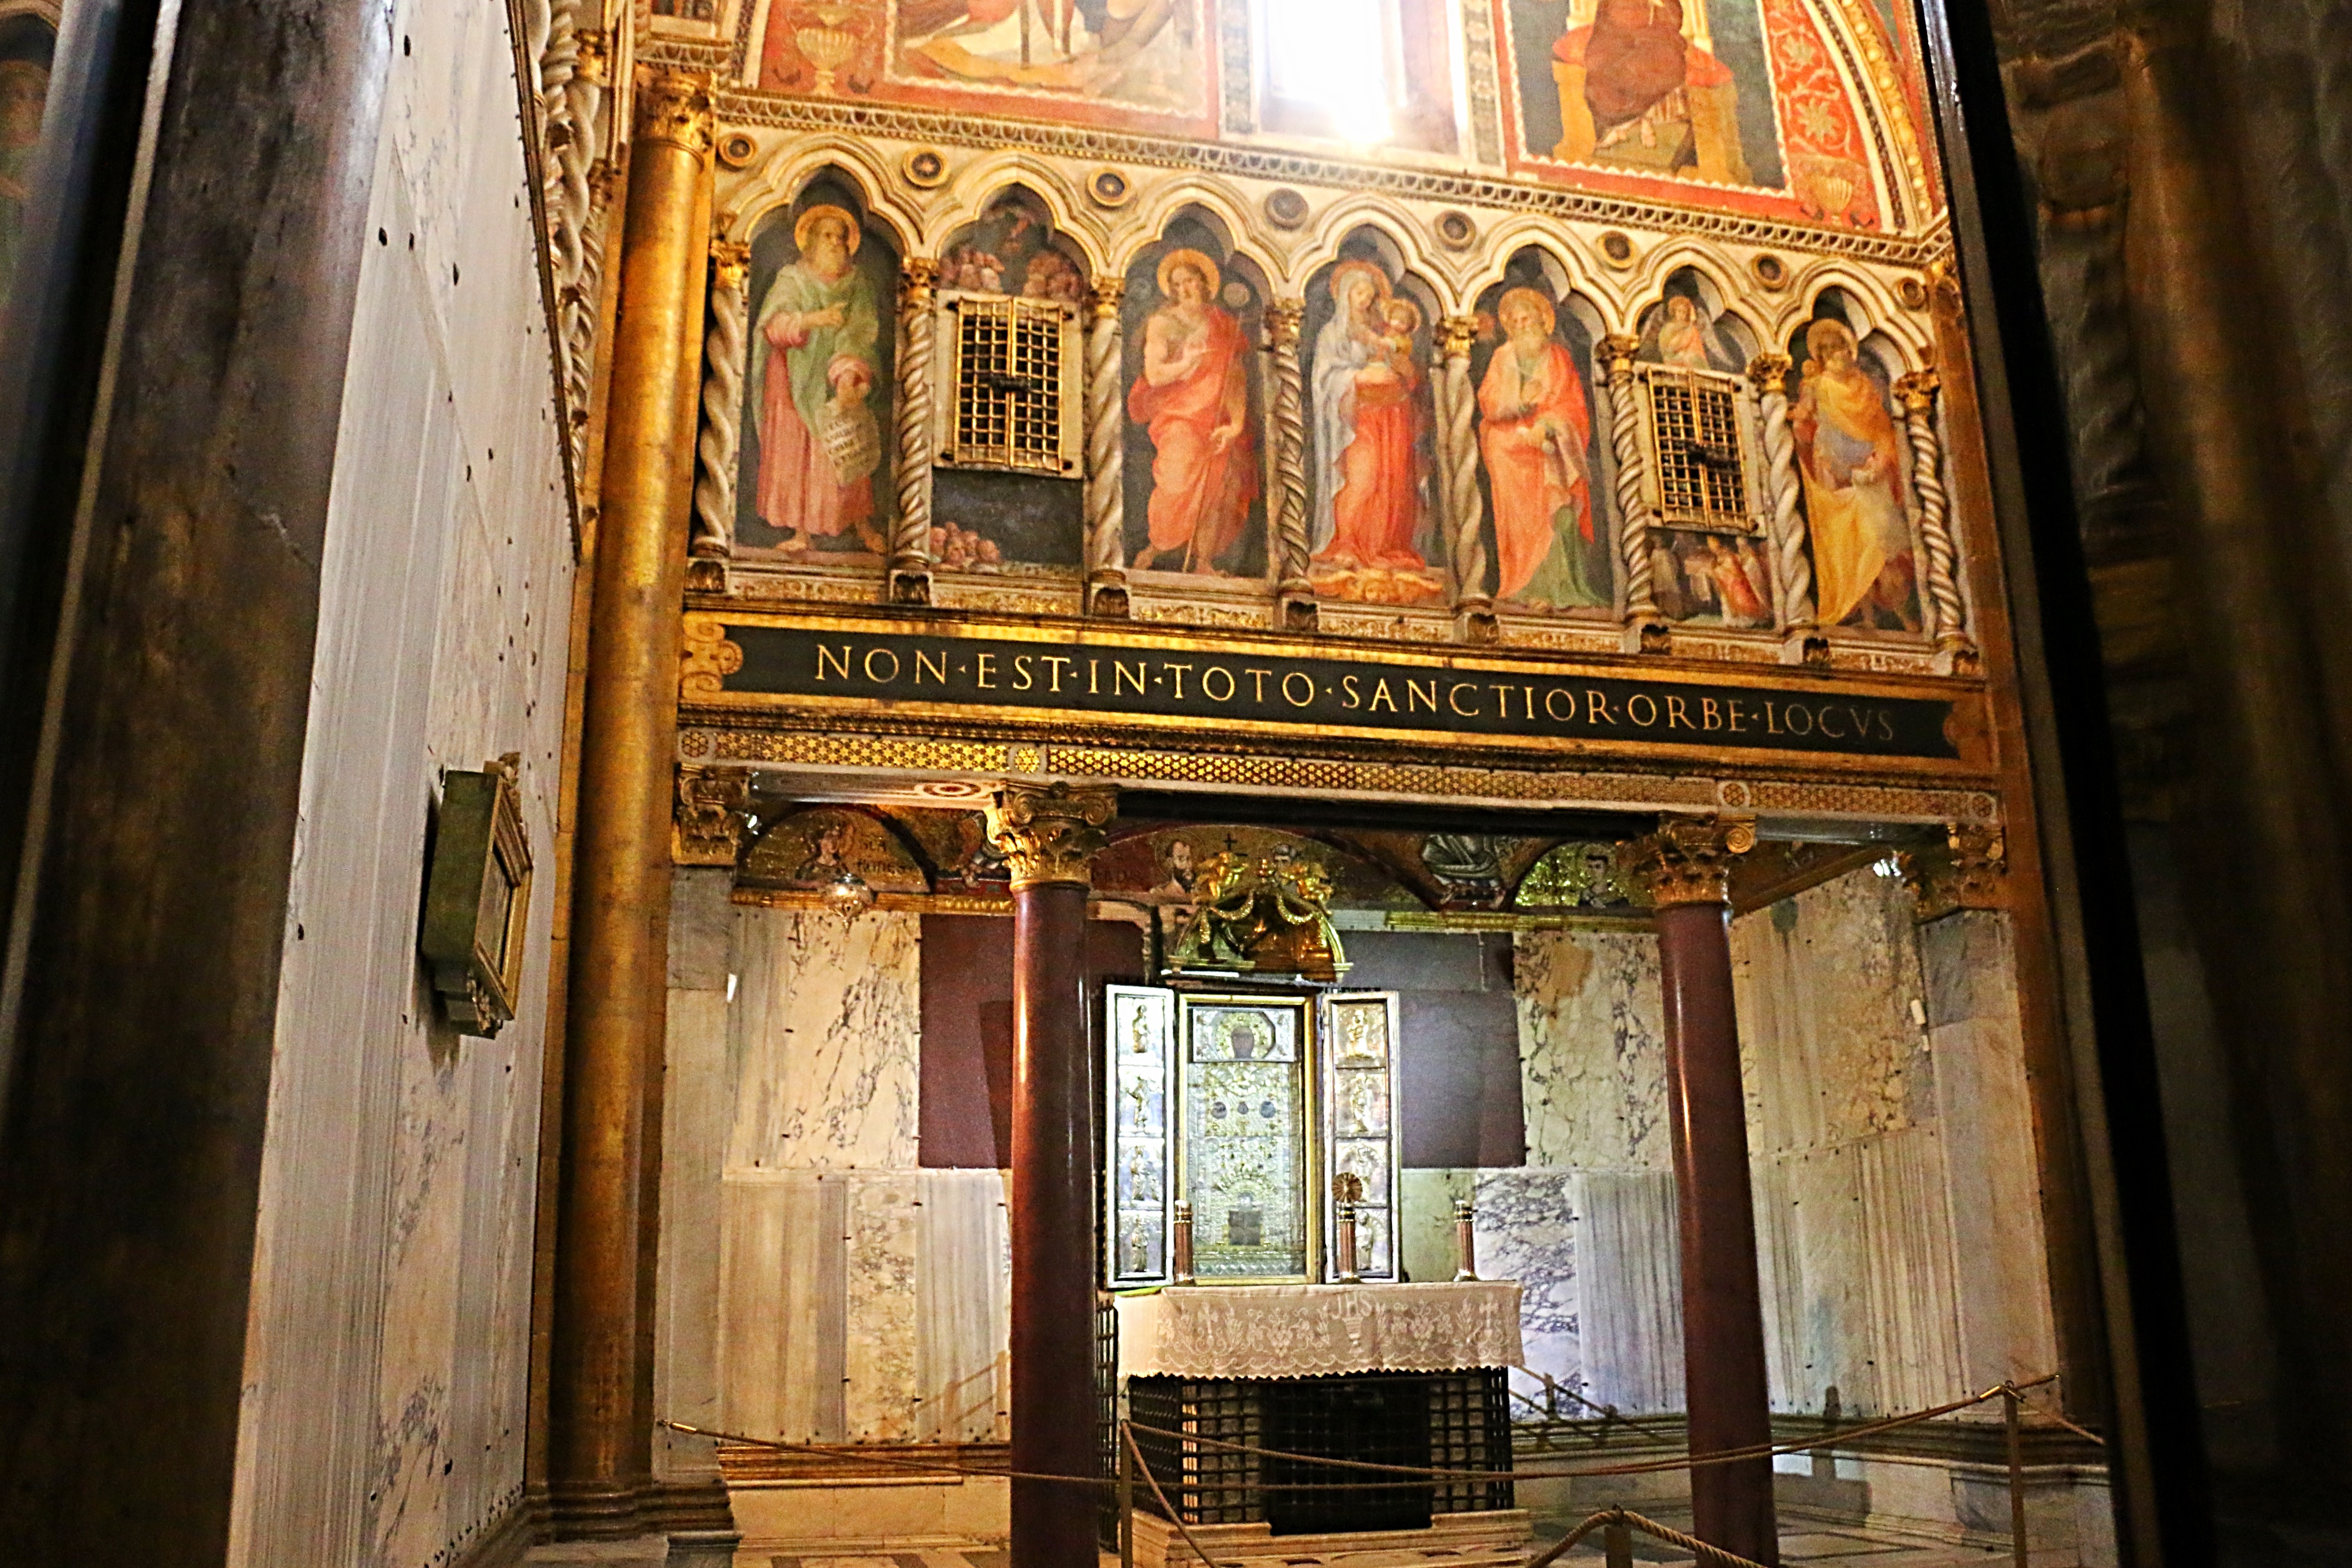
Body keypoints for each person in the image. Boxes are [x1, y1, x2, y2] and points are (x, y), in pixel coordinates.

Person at [750, 204, 885, 553]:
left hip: (837, 377)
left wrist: (848, 374)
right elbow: (773, 328)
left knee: (846, 446)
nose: (835, 243)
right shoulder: (791, 279)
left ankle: (861, 525)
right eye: (827, 236)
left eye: (841, 237)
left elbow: (860, 331)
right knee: (796, 451)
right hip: (791, 378)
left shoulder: (857, 284)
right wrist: (815, 320)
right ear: (809, 240)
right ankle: (801, 532)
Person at [1127, 248, 1258, 573]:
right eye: (1177, 284)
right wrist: (1186, 363)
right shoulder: (1163, 323)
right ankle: (1156, 546)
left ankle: (1203, 560)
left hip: (1215, 418)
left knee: (1215, 490)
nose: (1185, 289)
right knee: (1175, 483)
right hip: (1180, 417)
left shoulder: (1223, 325)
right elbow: (1155, 375)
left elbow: (1235, 377)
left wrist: (1236, 423)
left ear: (1204, 283)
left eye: (1190, 281)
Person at [1476, 287, 1605, 606]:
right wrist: (1518, 405)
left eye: (1528, 319)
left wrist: (1547, 426)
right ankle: (1521, 583)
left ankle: (1559, 586)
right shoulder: (1502, 357)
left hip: (1551, 443)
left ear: (1542, 321)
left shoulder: (1557, 357)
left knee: (1557, 509)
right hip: (1508, 445)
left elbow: (1572, 406)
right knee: (1519, 518)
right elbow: (1489, 402)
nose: (1522, 326)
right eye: (1515, 321)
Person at [1790, 318, 1919, 628]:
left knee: (1882, 540)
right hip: (1834, 472)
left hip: (1872, 472)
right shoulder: (1816, 386)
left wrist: (1882, 459)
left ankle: (1900, 613)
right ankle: (1864, 614)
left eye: (1841, 348)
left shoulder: (1864, 385)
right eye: (1829, 350)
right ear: (1822, 357)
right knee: (1847, 540)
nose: (1838, 355)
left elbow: (1882, 428)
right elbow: (1803, 422)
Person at [1312, 263, 1428, 574]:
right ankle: (1347, 544)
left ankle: (1381, 546)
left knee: (1389, 480)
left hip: (1392, 415)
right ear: (1345, 295)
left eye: (1370, 295)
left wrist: (1403, 373)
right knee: (1361, 480)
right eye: (1359, 293)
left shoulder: (1383, 332)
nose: (1365, 300)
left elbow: (1409, 376)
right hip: (1355, 419)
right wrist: (1358, 378)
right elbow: (1324, 378)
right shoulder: (1333, 334)